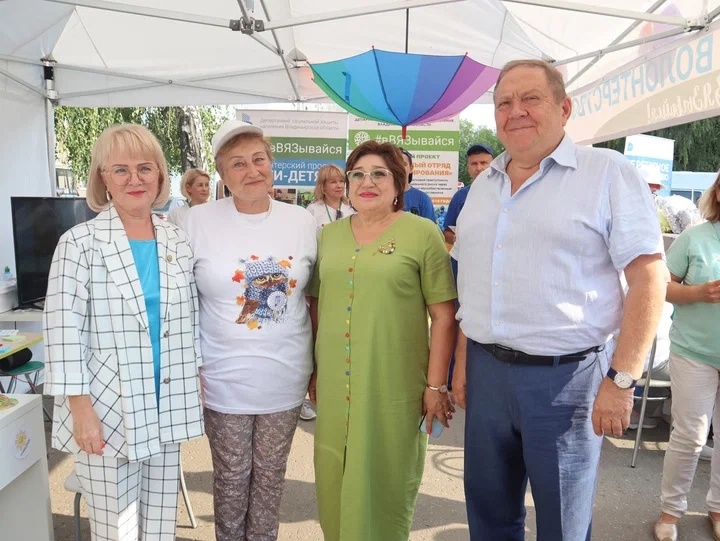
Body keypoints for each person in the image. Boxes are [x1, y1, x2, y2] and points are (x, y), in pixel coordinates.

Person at [452, 59, 667, 541]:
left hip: (566, 381)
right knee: (488, 517)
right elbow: (474, 284)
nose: (516, 111)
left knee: (563, 526)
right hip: (487, 374)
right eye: (504, 102)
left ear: (564, 108)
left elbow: (649, 279)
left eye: (531, 98)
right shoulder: (481, 188)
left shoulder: (606, 172)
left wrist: (622, 379)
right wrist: (464, 362)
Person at [43, 123, 204, 541]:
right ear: (103, 178)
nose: (135, 179)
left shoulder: (176, 240)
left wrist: (196, 379)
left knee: (159, 527)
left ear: (160, 176)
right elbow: (63, 334)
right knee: (117, 530)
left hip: (166, 403)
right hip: (106, 410)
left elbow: (188, 320)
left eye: (145, 168)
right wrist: (81, 413)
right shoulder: (79, 243)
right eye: (121, 170)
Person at [309, 140, 457, 541]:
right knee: (333, 473)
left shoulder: (422, 233)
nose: (367, 182)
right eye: (357, 174)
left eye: (379, 173)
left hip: (394, 383)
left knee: (387, 476)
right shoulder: (329, 236)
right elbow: (317, 304)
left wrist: (435, 387)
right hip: (335, 383)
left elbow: (444, 316)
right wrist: (315, 370)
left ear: (399, 183)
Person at [184, 119, 317, 541]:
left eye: (259, 159)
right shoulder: (195, 222)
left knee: (270, 477)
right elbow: (181, 302)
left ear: (271, 164)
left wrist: (319, 367)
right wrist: (189, 367)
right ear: (222, 173)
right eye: (238, 163)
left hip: (285, 376)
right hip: (222, 378)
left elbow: (315, 298)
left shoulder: (302, 221)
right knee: (231, 475)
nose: (252, 170)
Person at [653, 174, 720, 541]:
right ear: (718, 194)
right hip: (695, 352)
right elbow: (662, 287)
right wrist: (699, 294)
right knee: (690, 437)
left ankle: (717, 509)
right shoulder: (694, 237)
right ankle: (670, 512)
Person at [443, 143, 494, 246]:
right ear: (468, 168)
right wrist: (457, 239)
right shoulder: (460, 196)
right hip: (466, 255)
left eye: (483, 163)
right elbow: (447, 232)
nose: (479, 168)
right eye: (474, 164)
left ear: (493, 166)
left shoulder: (506, 193)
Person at [305, 164, 356, 233]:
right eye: (333, 182)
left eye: (341, 181)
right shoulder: (313, 210)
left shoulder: (351, 208)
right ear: (323, 186)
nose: (339, 186)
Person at [398, 147, 436, 222]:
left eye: (404, 164)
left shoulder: (423, 199)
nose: (400, 168)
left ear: (411, 168)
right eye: (396, 164)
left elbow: (430, 228)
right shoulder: (383, 197)